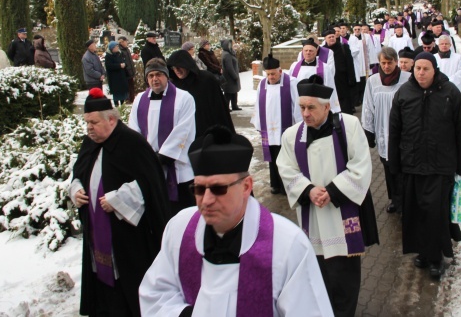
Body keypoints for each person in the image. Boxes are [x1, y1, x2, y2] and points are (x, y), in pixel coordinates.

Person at [139, 125, 334, 316]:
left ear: (246, 186)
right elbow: (155, 293)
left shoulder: (287, 243)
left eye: (218, 189)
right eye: (198, 189)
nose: (206, 200)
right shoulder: (179, 229)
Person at [276, 75, 379, 317]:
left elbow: (361, 165)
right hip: (312, 215)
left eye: (311, 107)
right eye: (301, 107)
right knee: (317, 273)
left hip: (341, 216)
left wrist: (332, 192)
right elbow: (286, 168)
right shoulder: (291, 136)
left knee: (343, 277)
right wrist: (309, 190)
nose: (305, 113)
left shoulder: (349, 126)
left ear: (327, 106)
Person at [70, 88, 170, 316]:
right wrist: (76, 190)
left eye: (94, 122)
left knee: (129, 288)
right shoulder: (90, 143)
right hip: (97, 233)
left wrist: (119, 199)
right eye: (86, 122)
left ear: (112, 119)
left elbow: (150, 184)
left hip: (129, 239)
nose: (89, 128)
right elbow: (78, 172)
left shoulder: (132, 143)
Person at [388, 52, 461, 280]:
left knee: (435, 213)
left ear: (435, 69)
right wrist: (394, 163)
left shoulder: (450, 93)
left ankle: (436, 258)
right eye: (417, 68)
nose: (421, 73)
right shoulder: (404, 93)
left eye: (426, 68)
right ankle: (423, 253)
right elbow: (394, 130)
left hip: (440, 165)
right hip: (412, 164)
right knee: (415, 212)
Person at [129, 58, 197, 214]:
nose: (155, 79)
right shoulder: (139, 100)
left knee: (181, 217)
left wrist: (162, 158)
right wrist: (145, 157)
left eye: (159, 74)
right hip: (151, 170)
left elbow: (184, 131)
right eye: (151, 75)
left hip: (178, 170)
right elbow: (134, 132)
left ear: (167, 76)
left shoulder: (184, 98)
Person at [362, 47, 410, 214]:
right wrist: (368, 130)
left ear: (396, 62)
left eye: (390, 63)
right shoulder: (373, 81)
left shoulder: (407, 79)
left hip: (404, 132)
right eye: (383, 63)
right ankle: (394, 200)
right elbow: (368, 106)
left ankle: (406, 199)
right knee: (388, 168)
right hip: (383, 130)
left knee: (403, 167)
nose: (386, 66)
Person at [251, 54, 302, 195]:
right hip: (269, 129)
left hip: (285, 128)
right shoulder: (262, 84)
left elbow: (297, 105)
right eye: (268, 74)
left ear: (280, 71)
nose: (271, 77)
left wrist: (299, 125)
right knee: (272, 158)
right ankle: (275, 184)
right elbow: (258, 105)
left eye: (273, 74)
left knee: (286, 158)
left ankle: (287, 186)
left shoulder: (291, 82)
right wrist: (258, 124)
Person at [167, 49, 234, 137]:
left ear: (187, 65)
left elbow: (219, 109)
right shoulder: (174, 86)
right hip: (185, 135)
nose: (177, 70)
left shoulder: (206, 79)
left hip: (208, 133)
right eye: (173, 68)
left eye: (179, 67)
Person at [289, 37, 341, 113]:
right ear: (302, 52)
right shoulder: (294, 66)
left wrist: (333, 108)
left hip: (317, 105)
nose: (308, 53)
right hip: (299, 104)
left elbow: (330, 87)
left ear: (316, 52)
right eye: (306, 50)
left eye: (311, 51)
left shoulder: (325, 68)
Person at [322, 29, 356, 115]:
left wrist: (351, 79)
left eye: (333, 36)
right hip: (329, 81)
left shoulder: (343, 47)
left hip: (342, 80)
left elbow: (350, 64)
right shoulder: (323, 51)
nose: (332, 38)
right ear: (325, 39)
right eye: (329, 37)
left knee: (345, 103)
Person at [105, 41, 129, 106]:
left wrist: (124, 64)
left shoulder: (119, 54)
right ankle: (117, 106)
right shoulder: (108, 56)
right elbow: (109, 66)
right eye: (116, 46)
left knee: (122, 94)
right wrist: (119, 66)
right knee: (117, 94)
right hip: (114, 78)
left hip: (122, 76)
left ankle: (123, 105)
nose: (118, 48)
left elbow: (124, 61)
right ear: (112, 48)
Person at [221, 38, 242, 111]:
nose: (233, 45)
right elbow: (229, 67)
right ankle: (225, 107)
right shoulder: (227, 55)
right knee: (228, 93)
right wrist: (235, 76)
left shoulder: (230, 53)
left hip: (232, 77)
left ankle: (234, 105)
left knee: (234, 91)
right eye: (232, 44)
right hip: (229, 77)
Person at [117, 36, 137, 103]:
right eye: (125, 41)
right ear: (122, 42)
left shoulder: (127, 49)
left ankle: (132, 99)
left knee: (132, 87)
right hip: (126, 73)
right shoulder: (120, 51)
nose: (127, 42)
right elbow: (122, 62)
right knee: (128, 88)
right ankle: (129, 100)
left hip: (130, 72)